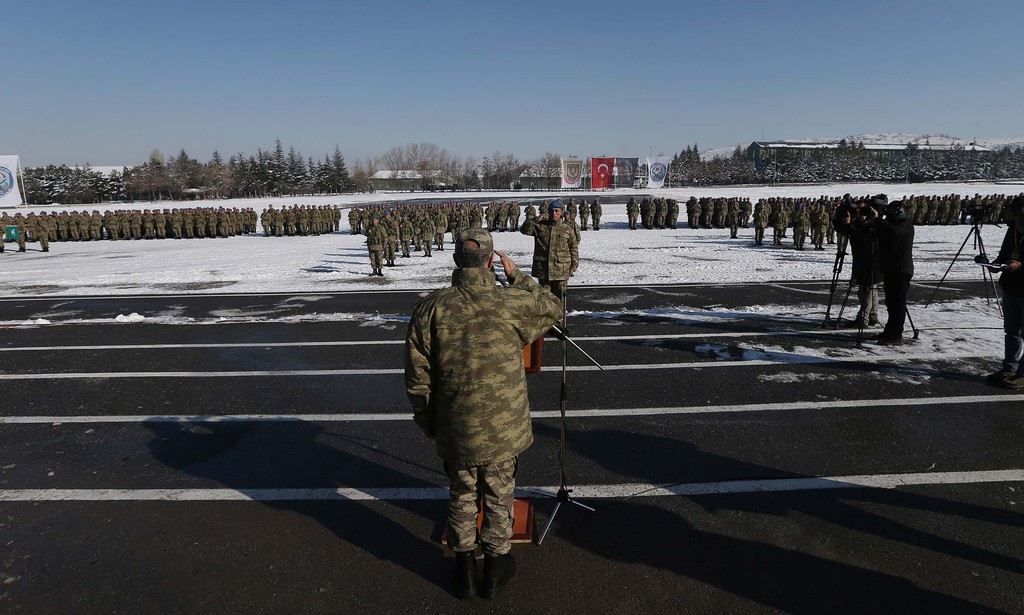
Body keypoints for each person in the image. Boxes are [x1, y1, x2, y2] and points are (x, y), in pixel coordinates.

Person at [405, 229, 562, 600]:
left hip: (455, 425)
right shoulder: (510, 302)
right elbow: (552, 305)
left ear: (457, 259)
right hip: (502, 427)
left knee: (461, 493)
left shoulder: (431, 308)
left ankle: (463, 569)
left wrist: (429, 422)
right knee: (498, 493)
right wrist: (519, 277)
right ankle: (494, 567)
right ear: (491, 260)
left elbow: (417, 378)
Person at [987, 195, 1024, 388]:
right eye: (1016, 215)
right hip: (1011, 286)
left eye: (1021, 215)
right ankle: (1009, 368)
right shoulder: (1012, 230)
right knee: (1012, 331)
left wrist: (1021, 265)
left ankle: (1022, 374)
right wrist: (996, 264)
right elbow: (1004, 254)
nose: (1018, 218)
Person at [872, 199, 914, 345]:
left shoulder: (906, 225)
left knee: (898, 304)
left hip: (901, 270)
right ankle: (889, 331)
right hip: (891, 268)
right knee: (891, 303)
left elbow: (894, 232)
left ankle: (896, 335)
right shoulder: (891, 225)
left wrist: (878, 219)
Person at [519, 200, 579, 301]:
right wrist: (537, 219)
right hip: (543, 270)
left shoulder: (567, 229)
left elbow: (573, 248)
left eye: (556, 211)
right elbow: (524, 230)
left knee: (559, 300)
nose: (554, 213)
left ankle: (560, 317)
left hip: (560, 270)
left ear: (561, 212)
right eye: (551, 211)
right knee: (544, 300)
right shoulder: (540, 226)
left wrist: (574, 266)